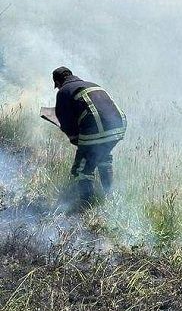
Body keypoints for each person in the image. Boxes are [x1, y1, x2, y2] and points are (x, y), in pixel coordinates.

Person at [53, 66, 127, 209]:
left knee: (81, 169)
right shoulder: (92, 84)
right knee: (102, 156)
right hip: (119, 126)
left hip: (97, 128)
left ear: (58, 82)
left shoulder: (63, 91)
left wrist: (76, 139)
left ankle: (86, 206)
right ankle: (109, 197)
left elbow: (66, 121)